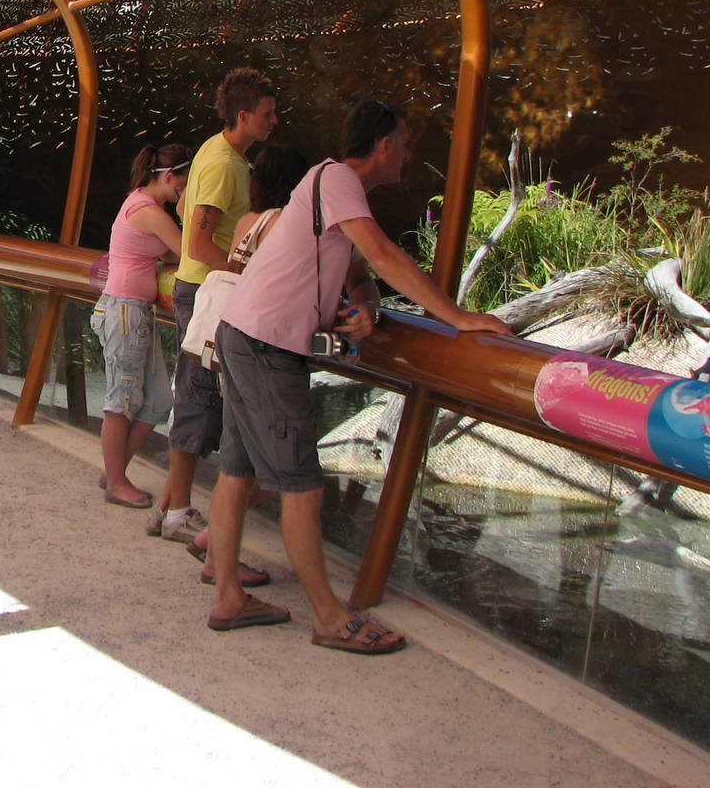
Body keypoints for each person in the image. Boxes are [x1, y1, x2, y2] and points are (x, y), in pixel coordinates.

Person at [204, 98, 512, 651]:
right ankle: (329, 616)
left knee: (238, 470)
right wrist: (458, 318)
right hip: (266, 345)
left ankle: (228, 596)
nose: (408, 157)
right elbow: (386, 255)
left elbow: (362, 274)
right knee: (301, 485)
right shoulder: (338, 178)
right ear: (386, 145)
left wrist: (366, 309)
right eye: (406, 146)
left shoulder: (330, 189)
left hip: (244, 333)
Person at [147, 68, 278, 545]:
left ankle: (168, 505)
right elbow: (200, 243)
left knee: (196, 394)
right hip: (208, 292)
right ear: (243, 115)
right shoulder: (225, 165)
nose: (274, 120)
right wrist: (248, 273)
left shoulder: (214, 151)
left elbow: (188, 217)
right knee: (199, 399)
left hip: (197, 288)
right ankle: (179, 512)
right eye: (267, 113)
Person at [182, 144, 309, 584]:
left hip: (229, 345)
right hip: (262, 349)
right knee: (264, 465)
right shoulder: (288, 226)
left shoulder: (247, 223)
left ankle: (215, 551)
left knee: (238, 459)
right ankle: (215, 550)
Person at [91, 142, 190, 508]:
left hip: (134, 312)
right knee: (121, 401)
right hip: (125, 312)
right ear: (170, 177)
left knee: (159, 400)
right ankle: (117, 482)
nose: (184, 190)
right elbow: (190, 250)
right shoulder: (148, 210)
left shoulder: (140, 203)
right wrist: (185, 209)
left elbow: (169, 252)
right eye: (184, 184)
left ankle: (114, 471)